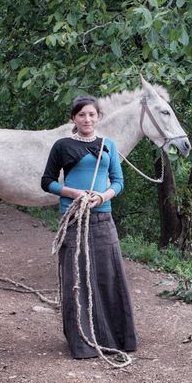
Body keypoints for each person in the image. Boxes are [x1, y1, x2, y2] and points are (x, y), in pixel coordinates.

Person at [41, 94, 137, 359]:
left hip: (102, 217)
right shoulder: (62, 146)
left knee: (109, 274)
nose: (87, 119)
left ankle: (117, 337)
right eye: (81, 114)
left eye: (92, 114)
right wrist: (72, 193)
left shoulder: (109, 145)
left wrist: (102, 196)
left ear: (99, 117)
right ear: (74, 118)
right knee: (76, 277)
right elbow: (47, 182)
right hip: (73, 217)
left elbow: (118, 181)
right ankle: (82, 341)